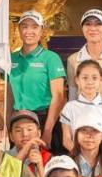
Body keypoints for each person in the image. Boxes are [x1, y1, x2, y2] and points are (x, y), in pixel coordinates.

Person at [9, 10, 66, 152]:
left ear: (41, 31)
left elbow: (59, 97)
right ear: (19, 31)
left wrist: (47, 131)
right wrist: (7, 125)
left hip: (45, 118)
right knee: (20, 165)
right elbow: (10, 95)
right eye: (25, 26)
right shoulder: (11, 58)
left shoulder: (51, 58)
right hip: (19, 119)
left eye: (34, 27)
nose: (29, 31)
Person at [60, 59, 102, 158]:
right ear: (77, 80)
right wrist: (82, 159)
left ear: (101, 80)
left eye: (94, 78)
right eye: (85, 78)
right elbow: (66, 140)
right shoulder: (69, 107)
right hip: (77, 158)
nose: (90, 82)